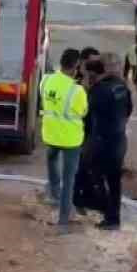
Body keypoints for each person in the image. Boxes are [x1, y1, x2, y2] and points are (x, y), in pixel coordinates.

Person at [82, 52, 132, 229]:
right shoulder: (121, 86)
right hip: (119, 138)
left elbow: (85, 114)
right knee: (114, 180)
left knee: (95, 174)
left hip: (103, 140)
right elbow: (128, 111)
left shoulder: (99, 89)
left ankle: (108, 215)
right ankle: (113, 217)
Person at [39, 48, 88, 227]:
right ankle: (63, 221)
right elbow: (83, 111)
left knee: (51, 160)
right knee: (69, 181)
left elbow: (44, 101)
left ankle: (53, 192)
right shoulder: (77, 91)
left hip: (50, 134)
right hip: (70, 140)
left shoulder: (46, 80)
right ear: (76, 67)